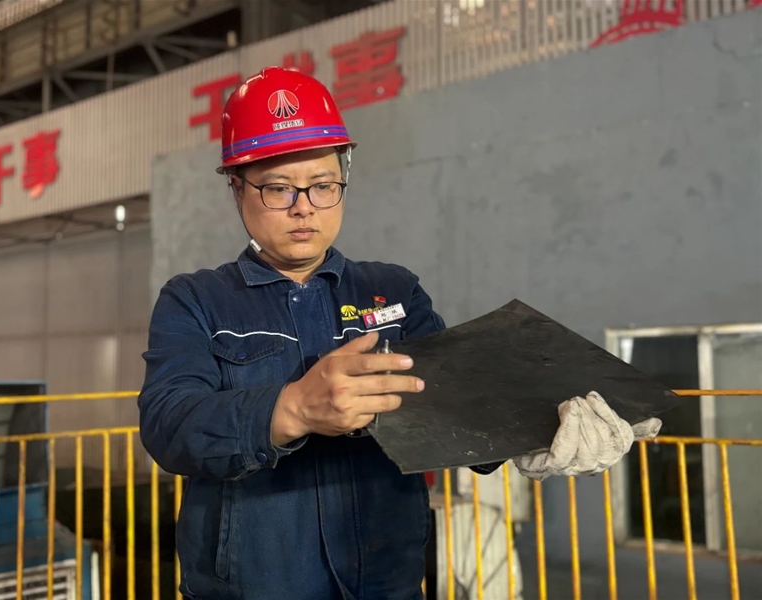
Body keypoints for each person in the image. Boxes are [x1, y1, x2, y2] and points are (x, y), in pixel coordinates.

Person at [138, 66, 662, 600]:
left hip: (387, 581)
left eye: (323, 185)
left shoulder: (392, 290)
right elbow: (168, 424)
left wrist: (531, 436)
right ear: (236, 187)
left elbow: (454, 403)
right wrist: (291, 409)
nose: (304, 207)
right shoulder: (196, 300)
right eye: (278, 188)